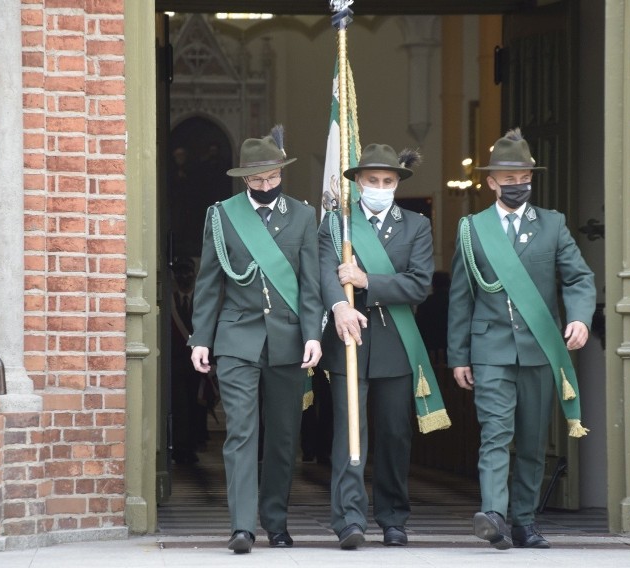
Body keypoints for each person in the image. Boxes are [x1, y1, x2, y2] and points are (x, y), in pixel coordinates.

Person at [447, 128, 596, 550]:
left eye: (523, 176)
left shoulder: (552, 225)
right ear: (491, 181)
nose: (517, 184)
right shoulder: (471, 230)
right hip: (490, 348)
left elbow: (578, 277)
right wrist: (459, 355)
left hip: (538, 348)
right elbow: (461, 298)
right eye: (507, 178)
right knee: (495, 432)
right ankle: (493, 513)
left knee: (531, 440)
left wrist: (581, 318)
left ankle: (525, 521)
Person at [189, 125, 322, 554]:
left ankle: (276, 521)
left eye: (272, 178)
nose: (265, 186)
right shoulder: (222, 215)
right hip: (236, 338)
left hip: (286, 339)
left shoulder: (303, 216)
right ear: (243, 178)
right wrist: (200, 340)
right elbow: (209, 283)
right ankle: (242, 526)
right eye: (257, 179)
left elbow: (310, 284)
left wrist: (312, 334)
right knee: (241, 433)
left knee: (284, 437)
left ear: (281, 173)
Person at [318, 143, 450, 550]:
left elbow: (419, 284)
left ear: (396, 183)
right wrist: (340, 303)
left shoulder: (416, 225)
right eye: (372, 180)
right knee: (348, 434)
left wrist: (366, 281)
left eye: (387, 181)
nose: (379, 186)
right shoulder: (336, 226)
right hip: (348, 340)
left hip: (396, 342)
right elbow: (323, 273)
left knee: (394, 435)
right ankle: (349, 519)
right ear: (358, 182)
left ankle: (393, 518)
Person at [169, 257, 206, 464]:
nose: (184, 277)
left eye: (188, 273)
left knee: (195, 405)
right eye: (180, 273)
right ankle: (180, 447)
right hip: (176, 364)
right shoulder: (171, 301)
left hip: (199, 363)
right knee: (179, 406)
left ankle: (193, 444)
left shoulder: (201, 300)